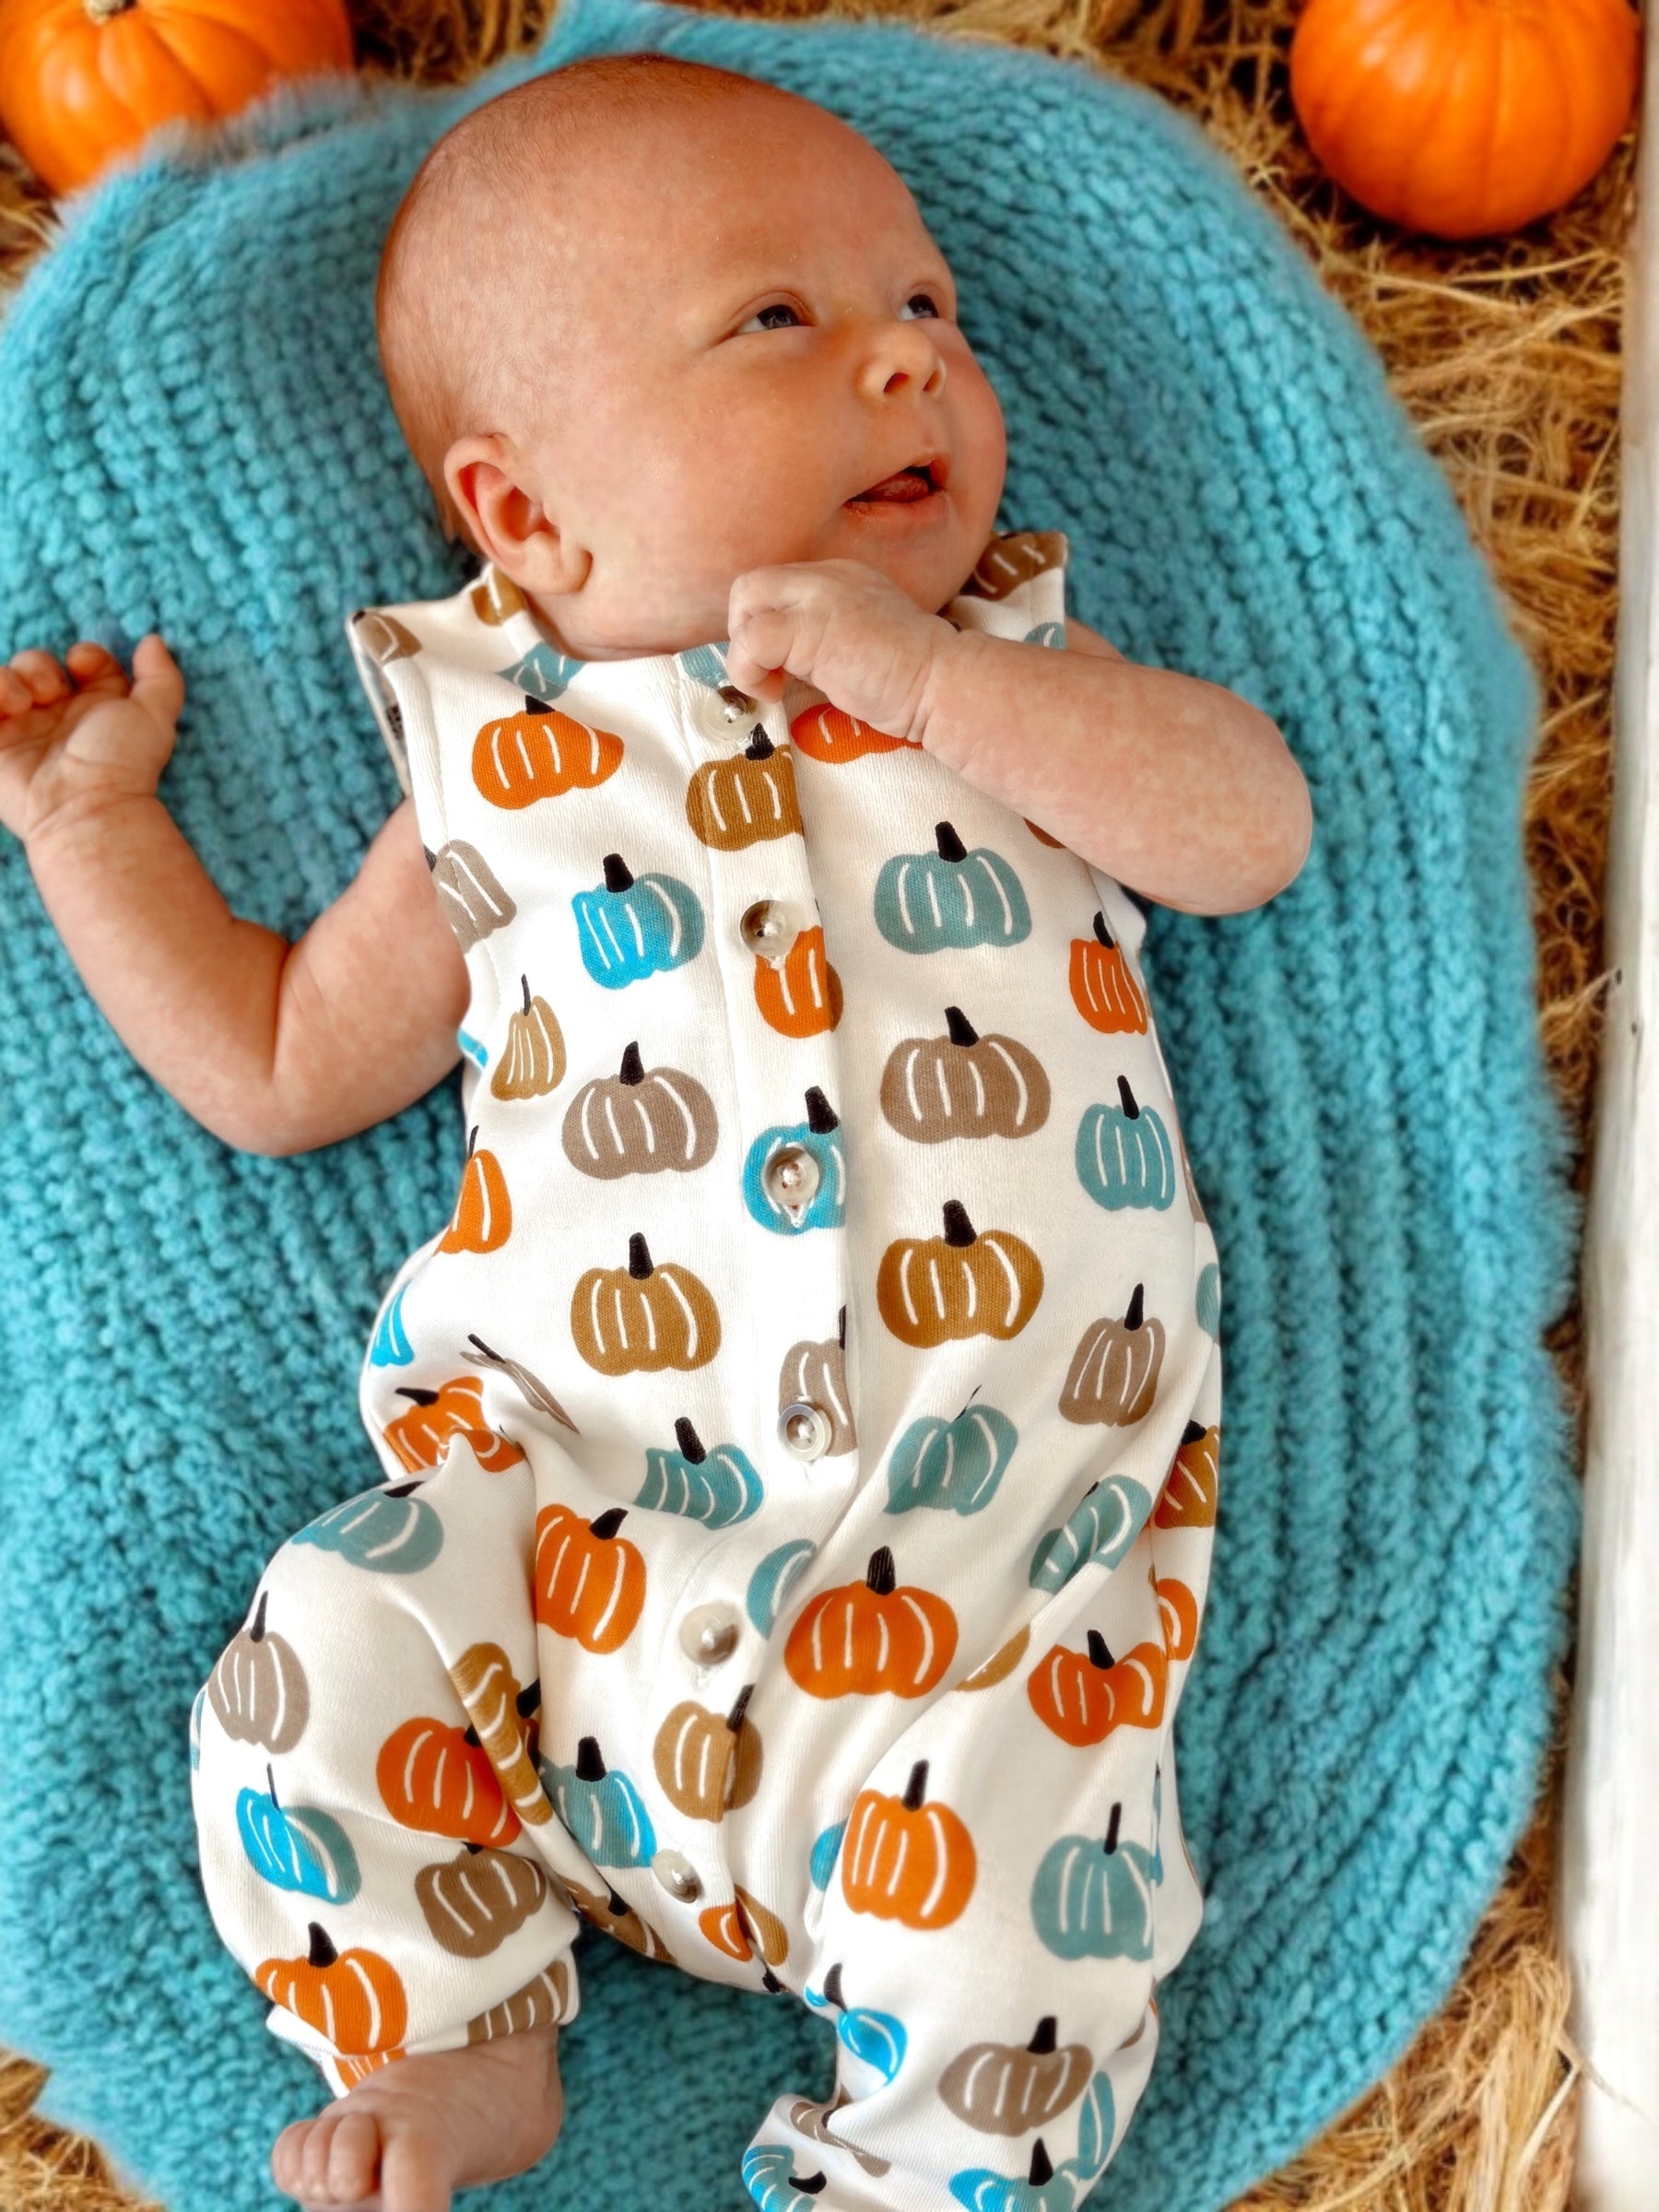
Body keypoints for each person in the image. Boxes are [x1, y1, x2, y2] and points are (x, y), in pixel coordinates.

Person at [0, 52, 1310, 2212]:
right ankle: (450, 2030)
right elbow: (275, 1061)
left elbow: (1250, 832)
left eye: (934, 309)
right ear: (528, 519)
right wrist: (88, 830)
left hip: (982, 1640)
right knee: (312, 1657)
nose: (911, 349)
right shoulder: (505, 781)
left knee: (1035, 1944)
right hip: (564, 1575)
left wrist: (940, 689)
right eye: (779, 321)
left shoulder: (1005, 681)